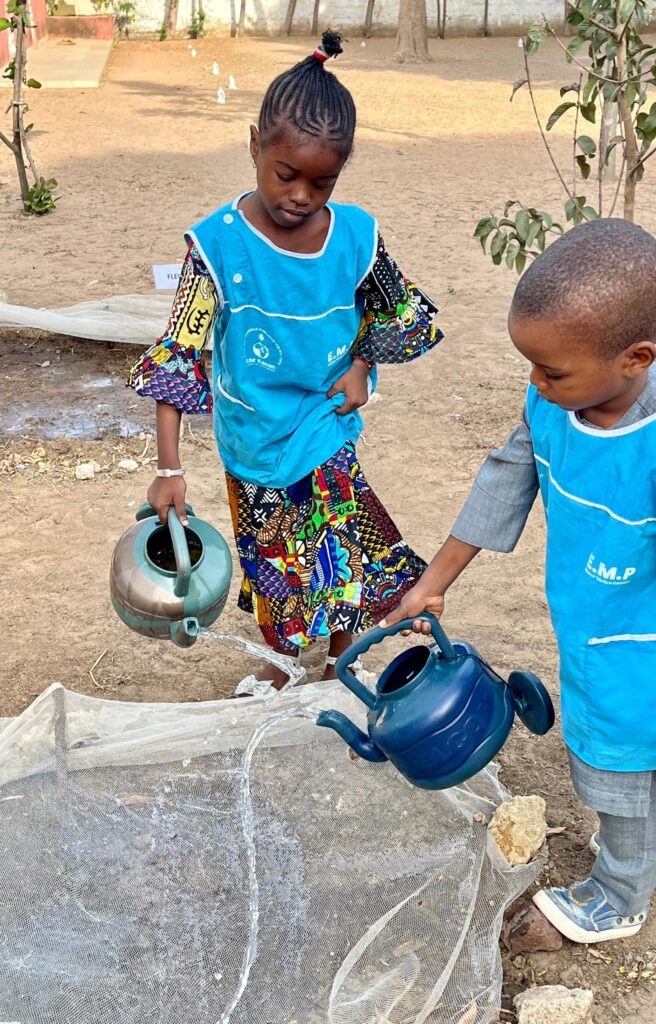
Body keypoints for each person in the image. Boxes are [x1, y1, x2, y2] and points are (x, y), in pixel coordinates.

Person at [383, 219, 656, 944]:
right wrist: (435, 580)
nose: (535, 383)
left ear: (635, 358)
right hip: (593, 623)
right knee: (652, 771)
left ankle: (617, 897)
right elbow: (507, 475)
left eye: (551, 372)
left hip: (654, 659)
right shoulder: (557, 405)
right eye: (531, 365)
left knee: (631, 773)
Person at [129, 31, 441, 689]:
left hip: (324, 427)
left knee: (341, 552)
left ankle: (337, 664)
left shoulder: (354, 237)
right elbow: (179, 353)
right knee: (272, 561)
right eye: (286, 175)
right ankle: (285, 664)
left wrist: (362, 365)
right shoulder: (218, 248)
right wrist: (169, 469)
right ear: (254, 146)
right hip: (252, 437)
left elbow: (396, 310)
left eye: (322, 182)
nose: (301, 195)